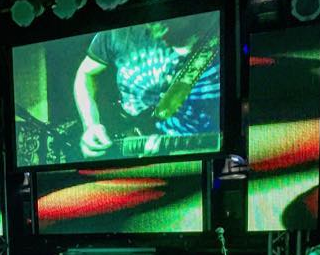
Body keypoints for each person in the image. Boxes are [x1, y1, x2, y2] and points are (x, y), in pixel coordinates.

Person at [73, 13, 220, 159]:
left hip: (197, 158)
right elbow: (85, 74)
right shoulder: (118, 30)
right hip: (128, 150)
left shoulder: (222, 28)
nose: (161, 36)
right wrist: (90, 125)